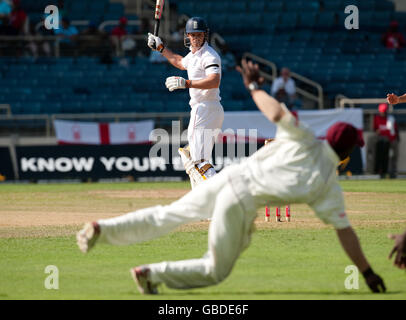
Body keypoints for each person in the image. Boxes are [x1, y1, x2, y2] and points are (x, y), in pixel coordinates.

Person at [76, 59, 386, 295]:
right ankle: (150, 273)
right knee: (215, 271)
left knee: (167, 215)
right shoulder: (327, 185)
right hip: (240, 202)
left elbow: (276, 114)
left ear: (327, 136)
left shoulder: (304, 137)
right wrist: (368, 272)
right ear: (346, 155)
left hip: (227, 178)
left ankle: (101, 228)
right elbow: (346, 233)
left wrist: (254, 86)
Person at [147, 17, 224, 188]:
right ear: (187, 36)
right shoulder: (194, 55)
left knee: (200, 162)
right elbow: (179, 62)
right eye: (193, 35)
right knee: (189, 156)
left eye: (199, 35)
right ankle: (202, 203)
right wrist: (160, 48)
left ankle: (222, 200)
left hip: (205, 108)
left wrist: (187, 83)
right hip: (207, 110)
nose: (196, 38)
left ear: (205, 36)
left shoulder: (209, 55)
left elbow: (214, 81)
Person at [373, 103, 399, 178]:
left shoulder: (390, 118)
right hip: (383, 141)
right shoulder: (377, 118)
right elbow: (376, 130)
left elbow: (393, 131)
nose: (383, 113)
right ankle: (381, 171)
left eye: (384, 112)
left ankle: (393, 172)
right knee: (382, 156)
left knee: (394, 156)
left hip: (392, 140)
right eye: (382, 112)